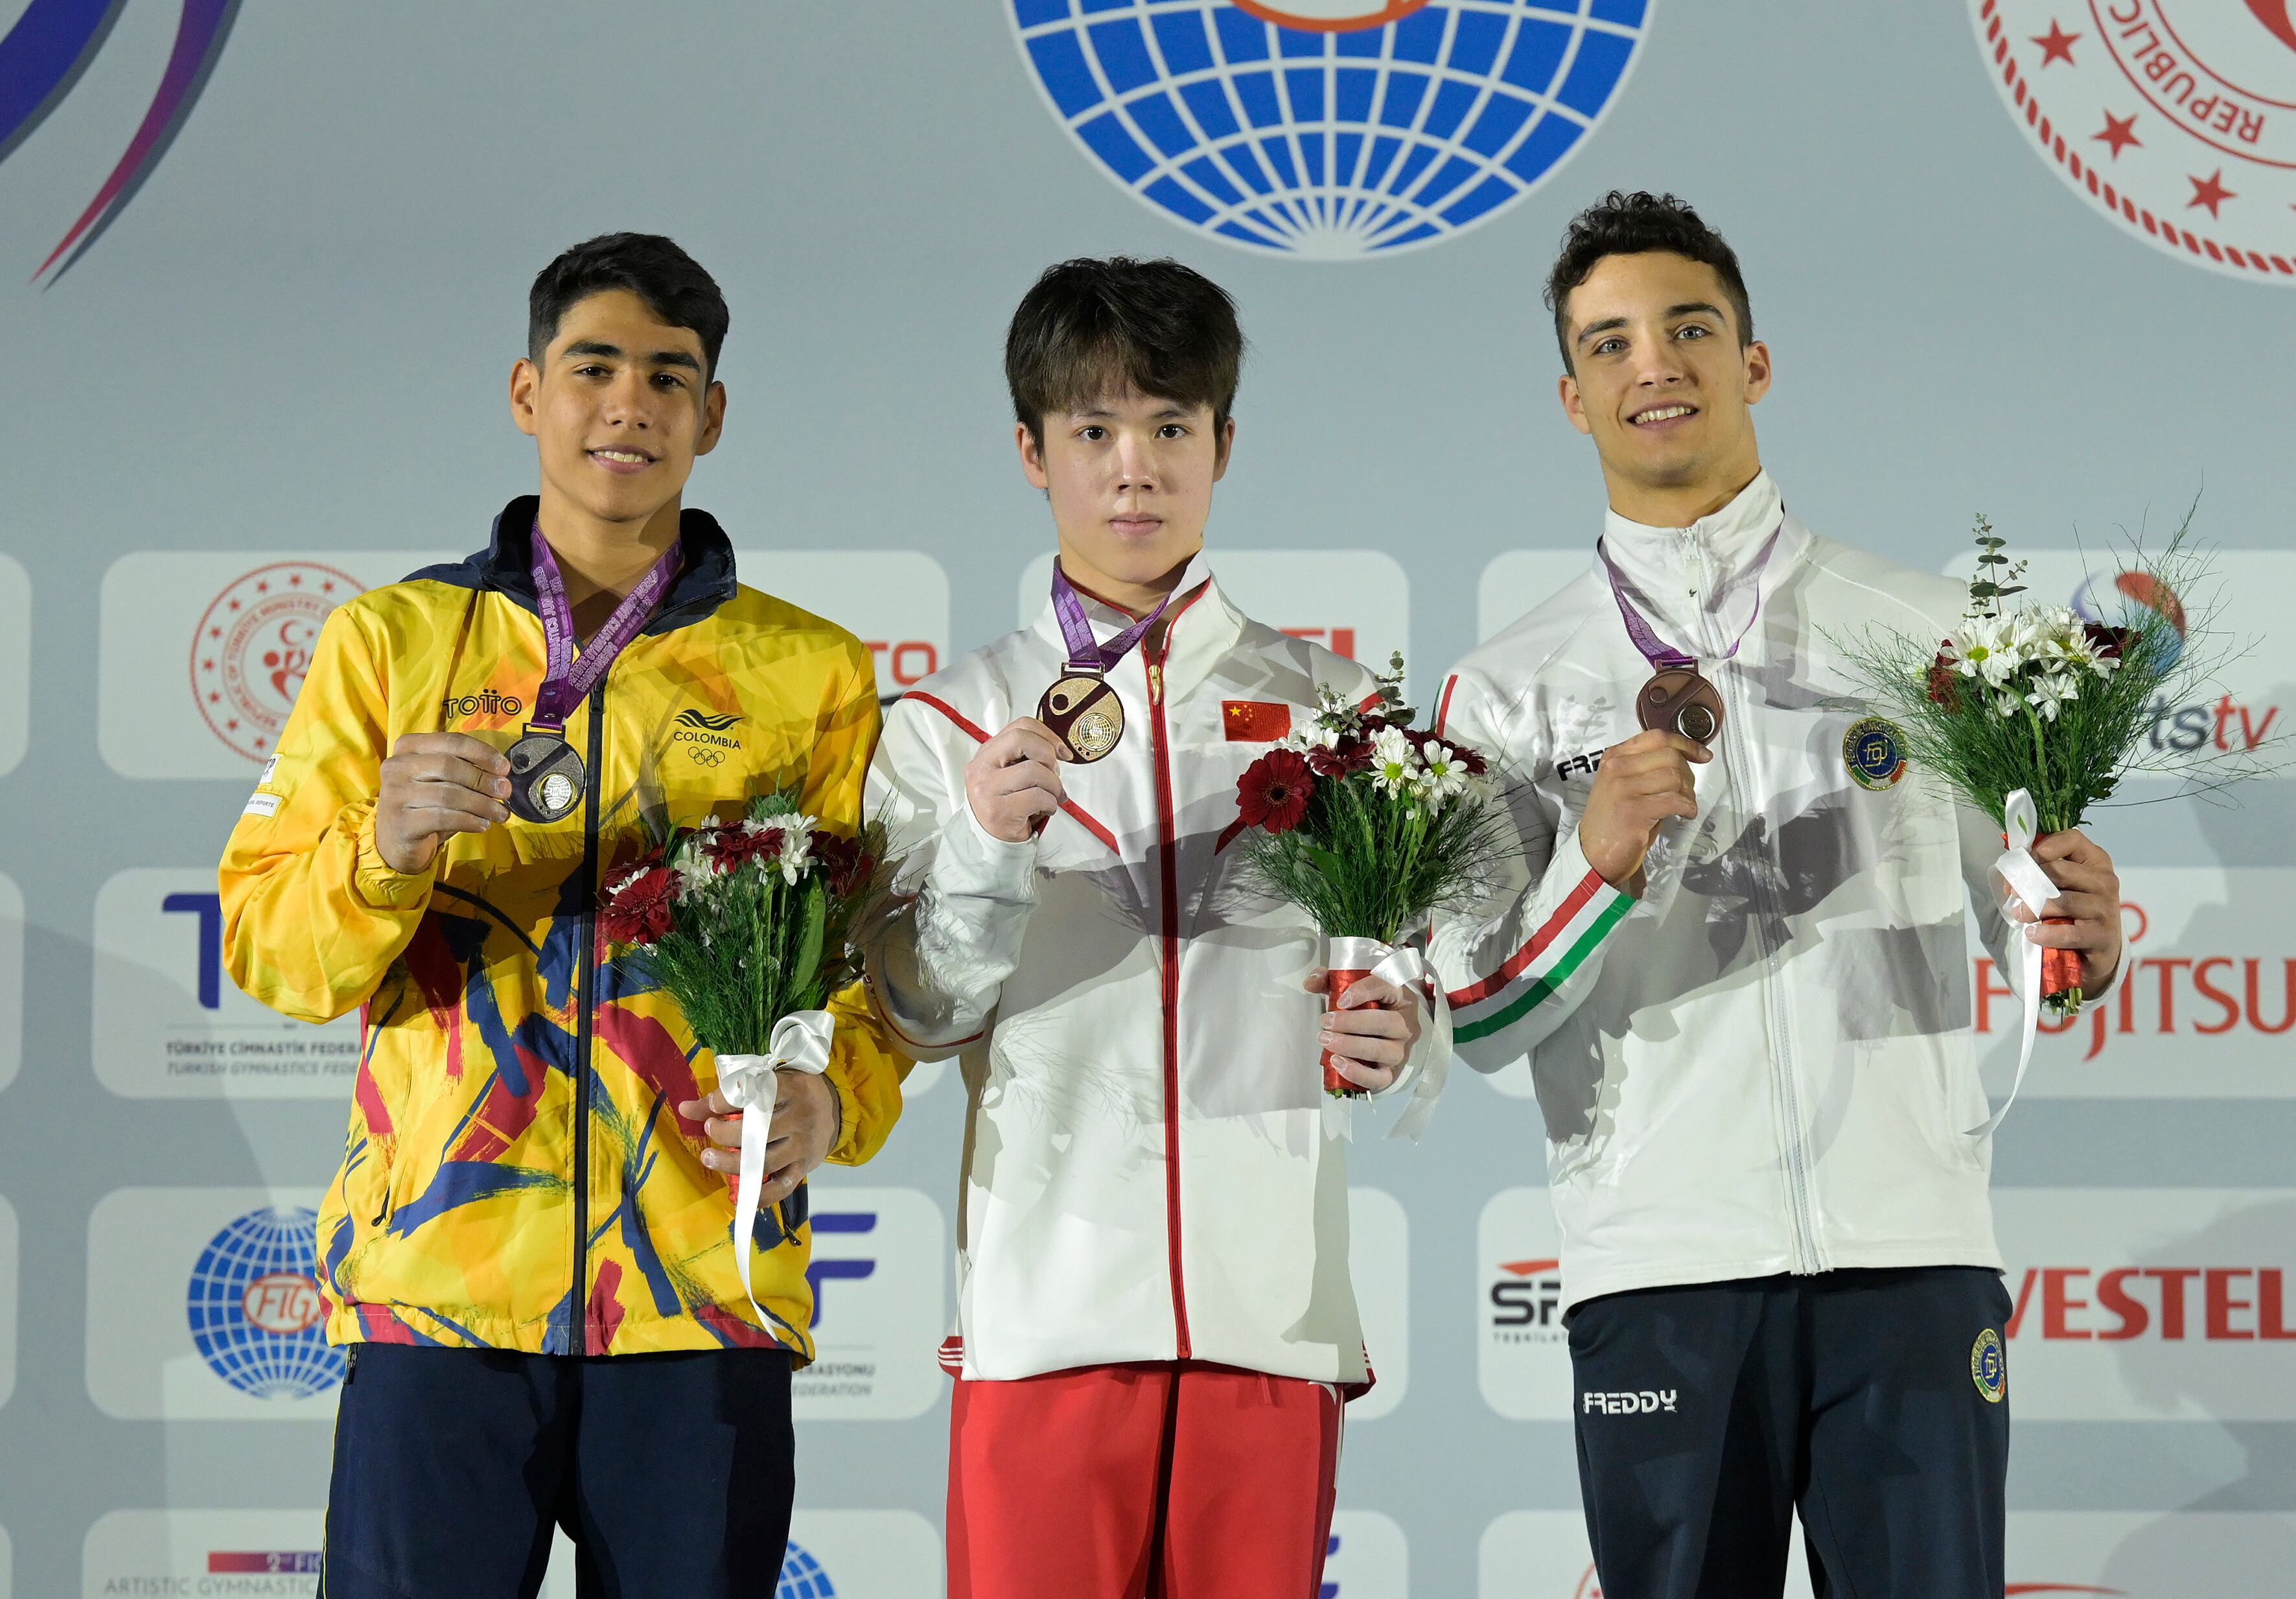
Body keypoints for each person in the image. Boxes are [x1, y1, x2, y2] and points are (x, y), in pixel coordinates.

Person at [1428, 193, 2125, 1598]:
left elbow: (2029, 930)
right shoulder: (1504, 687)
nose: (1654, 364)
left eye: (1689, 328)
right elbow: (1480, 1016)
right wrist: (1594, 868)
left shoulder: (1929, 635)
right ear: (1571, 399)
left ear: (1754, 363)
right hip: (1660, 1276)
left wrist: (2080, 935)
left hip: (1912, 1257)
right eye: (1610, 343)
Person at [217, 232, 907, 1598]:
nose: (628, 404)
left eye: (668, 376)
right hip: (439, 1288)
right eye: (592, 367)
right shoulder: (391, 645)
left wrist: (842, 1103)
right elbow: (269, 951)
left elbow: (869, 969)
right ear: (527, 394)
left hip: (701, 1294)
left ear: (711, 415)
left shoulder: (808, 671)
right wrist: (385, 844)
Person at [855, 256, 1446, 1597]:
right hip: (1046, 1314)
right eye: (1093, 431)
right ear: (1031, 451)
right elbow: (920, 1009)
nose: (1134, 469)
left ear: (1223, 445)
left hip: (1269, 1313)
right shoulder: (945, 727)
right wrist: (984, 848)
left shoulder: (1338, 709)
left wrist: (1401, 1032)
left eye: (1170, 427)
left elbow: (1412, 978)